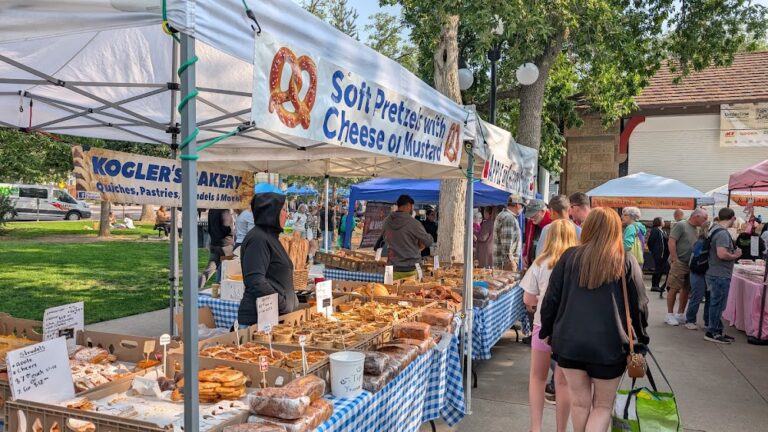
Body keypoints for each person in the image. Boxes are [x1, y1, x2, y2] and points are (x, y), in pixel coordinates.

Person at [540, 208, 650, 432]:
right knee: (602, 406)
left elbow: (551, 300)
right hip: (610, 347)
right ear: (615, 230)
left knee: (579, 403)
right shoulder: (625, 261)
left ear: (588, 228)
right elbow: (640, 305)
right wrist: (641, 337)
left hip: (569, 343)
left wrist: (547, 331)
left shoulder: (569, 257)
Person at [521, 219, 578, 432]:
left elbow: (528, 299)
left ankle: (535, 427)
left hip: (541, 327)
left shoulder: (540, 263)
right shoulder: (578, 264)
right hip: (568, 330)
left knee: (537, 377)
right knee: (563, 382)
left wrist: (539, 302)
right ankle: (561, 429)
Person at [238, 184, 299, 325]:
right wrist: (282, 304)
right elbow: (255, 280)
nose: (287, 214)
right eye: (284, 210)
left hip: (275, 318)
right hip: (259, 320)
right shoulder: (258, 239)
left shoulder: (270, 237)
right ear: (272, 212)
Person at [705, 208, 742, 344]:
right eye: (734, 219)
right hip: (720, 274)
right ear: (732, 218)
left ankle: (717, 329)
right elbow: (721, 254)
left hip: (714, 272)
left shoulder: (714, 229)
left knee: (716, 303)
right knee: (718, 304)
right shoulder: (722, 234)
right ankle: (712, 332)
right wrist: (735, 255)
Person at [666, 208, 708, 326]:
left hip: (691, 264)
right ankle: (669, 314)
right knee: (674, 287)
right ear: (696, 216)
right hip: (680, 262)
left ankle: (680, 313)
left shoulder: (698, 229)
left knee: (686, 289)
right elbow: (671, 241)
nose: (705, 220)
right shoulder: (681, 225)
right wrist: (675, 259)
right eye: (704, 218)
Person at [382, 195, 434, 279]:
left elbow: (385, 238)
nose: (412, 209)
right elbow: (428, 241)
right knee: (412, 292)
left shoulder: (386, 221)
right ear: (408, 205)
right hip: (411, 268)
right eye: (412, 207)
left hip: (392, 268)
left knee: (391, 291)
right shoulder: (413, 223)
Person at [684, 221, 712, 330]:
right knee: (697, 296)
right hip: (699, 273)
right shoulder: (701, 242)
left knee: (707, 297)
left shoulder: (702, 241)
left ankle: (707, 321)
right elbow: (695, 259)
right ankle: (690, 320)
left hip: (703, 272)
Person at [198, 208, 235, 289]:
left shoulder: (212, 210)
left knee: (209, 270)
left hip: (215, 244)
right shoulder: (225, 210)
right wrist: (233, 230)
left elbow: (209, 228)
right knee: (227, 271)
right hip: (226, 245)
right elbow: (227, 228)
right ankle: (221, 290)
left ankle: (196, 288)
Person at [493, 194, 524, 271]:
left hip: (503, 264)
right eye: (522, 206)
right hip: (506, 266)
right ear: (517, 205)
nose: (522, 209)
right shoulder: (509, 218)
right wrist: (512, 264)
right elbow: (507, 247)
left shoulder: (504, 215)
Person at [523, 199, 552, 267]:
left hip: (545, 264)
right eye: (530, 216)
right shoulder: (530, 223)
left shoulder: (551, 223)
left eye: (534, 215)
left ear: (542, 211)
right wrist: (525, 255)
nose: (532, 218)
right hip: (532, 262)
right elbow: (528, 240)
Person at [647, 217, 669, 293]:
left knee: (661, 269)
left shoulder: (662, 231)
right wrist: (654, 251)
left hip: (664, 254)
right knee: (658, 269)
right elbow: (650, 241)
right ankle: (654, 285)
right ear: (659, 222)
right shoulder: (656, 230)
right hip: (659, 253)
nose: (664, 222)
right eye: (663, 221)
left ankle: (658, 285)